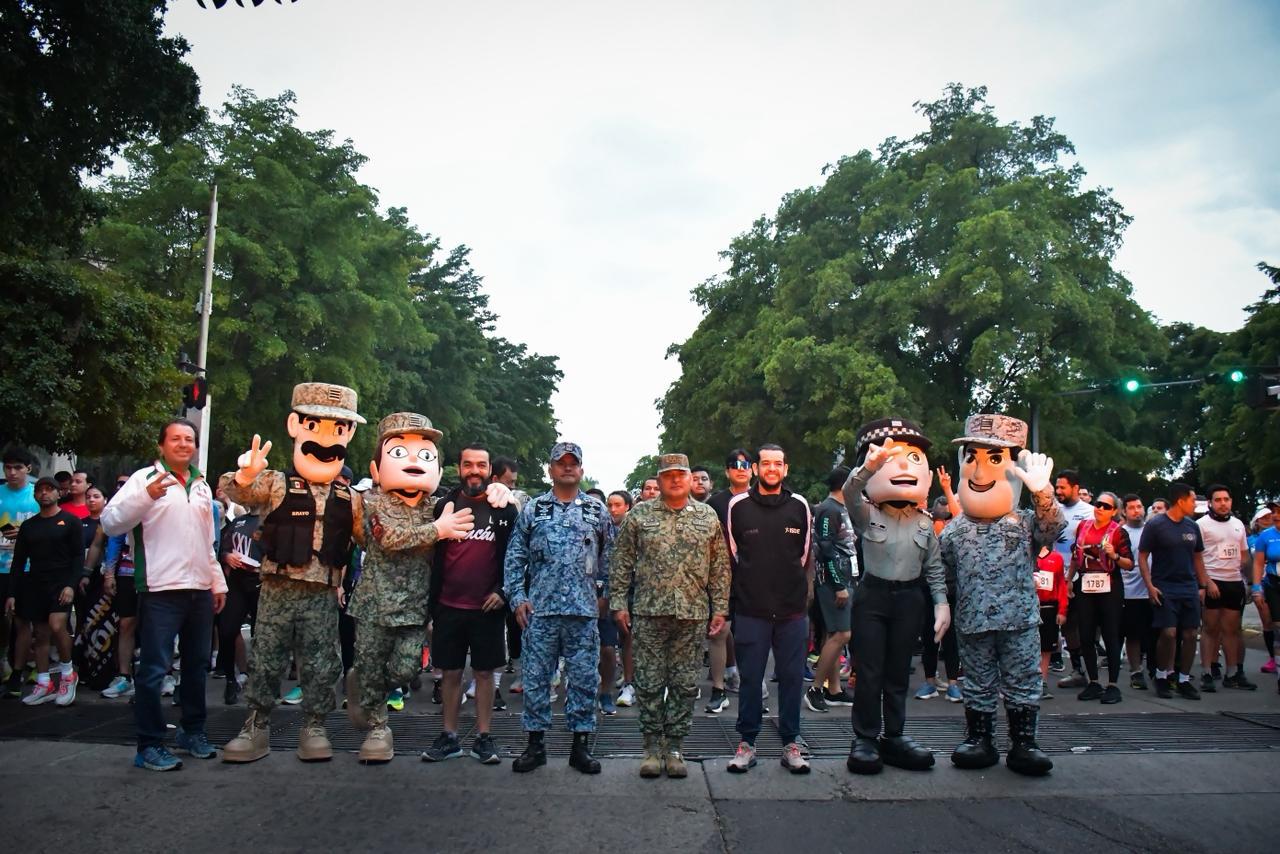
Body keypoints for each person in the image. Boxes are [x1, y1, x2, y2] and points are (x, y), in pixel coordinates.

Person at [220, 383, 367, 764]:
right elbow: (233, 492)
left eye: (337, 429)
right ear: (295, 425)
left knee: (321, 661)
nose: (324, 440)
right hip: (276, 587)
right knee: (266, 657)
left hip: (322, 591)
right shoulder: (276, 483)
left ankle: (315, 725)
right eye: (315, 426)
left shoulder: (350, 498)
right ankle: (256, 725)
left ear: (348, 435)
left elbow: (370, 537)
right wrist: (245, 474)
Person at [346, 413, 480, 763]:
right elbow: (388, 538)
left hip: (415, 606)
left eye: (424, 455)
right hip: (374, 603)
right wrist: (439, 530)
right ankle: (378, 730)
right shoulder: (370, 502)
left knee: (405, 669)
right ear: (377, 468)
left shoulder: (438, 506)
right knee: (372, 664)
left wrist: (497, 489)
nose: (412, 463)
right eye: (399, 452)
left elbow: (482, 507)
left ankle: (365, 686)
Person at [101, 419, 228, 771]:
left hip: (200, 591)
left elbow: (207, 542)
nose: (184, 444)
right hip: (160, 590)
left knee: (196, 666)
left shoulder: (202, 486)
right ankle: (149, 744)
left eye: (189, 439)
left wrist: (217, 583)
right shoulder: (144, 480)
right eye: (176, 439)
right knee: (154, 670)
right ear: (161, 445)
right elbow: (111, 522)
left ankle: (193, 731)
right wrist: (146, 497)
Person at [943, 414, 1064, 777]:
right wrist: (941, 607)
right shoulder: (954, 530)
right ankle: (980, 739)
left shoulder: (1025, 520)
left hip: (1020, 619)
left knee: (1023, 680)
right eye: (973, 458)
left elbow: (1053, 527)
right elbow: (943, 573)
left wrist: (1043, 491)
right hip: (973, 618)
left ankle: (1024, 742)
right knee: (978, 681)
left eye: (995, 459)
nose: (980, 471)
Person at [610, 453, 730, 778]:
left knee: (684, 683)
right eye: (668, 475)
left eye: (681, 474)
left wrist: (720, 607)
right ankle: (651, 746)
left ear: (691, 478)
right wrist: (619, 602)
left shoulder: (707, 517)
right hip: (649, 611)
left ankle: (675, 746)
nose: (675, 480)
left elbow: (719, 566)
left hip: (692, 613)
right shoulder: (640, 516)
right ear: (659, 480)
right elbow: (621, 562)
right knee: (648, 682)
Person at [841, 421, 948, 775]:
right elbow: (851, 491)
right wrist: (871, 465)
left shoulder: (923, 521)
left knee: (899, 672)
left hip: (908, 599)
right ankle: (865, 739)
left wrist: (941, 602)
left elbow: (933, 567)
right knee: (869, 670)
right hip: (873, 596)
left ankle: (895, 736)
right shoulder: (867, 514)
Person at [504, 441, 610, 774]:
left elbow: (612, 561)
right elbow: (515, 556)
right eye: (560, 462)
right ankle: (535, 745)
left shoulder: (596, 511)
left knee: (583, 680)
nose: (567, 467)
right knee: (536, 680)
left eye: (572, 463)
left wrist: (606, 597)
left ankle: (580, 746)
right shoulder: (533, 510)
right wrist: (517, 597)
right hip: (541, 611)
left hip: (582, 611)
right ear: (550, 469)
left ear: (581, 469)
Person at [422, 443, 518, 765]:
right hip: (449, 605)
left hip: (487, 607)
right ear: (459, 467)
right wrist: (432, 607)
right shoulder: (445, 504)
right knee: (449, 673)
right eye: (468, 464)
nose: (474, 470)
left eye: (480, 465)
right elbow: (433, 555)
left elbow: (516, 556)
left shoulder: (504, 509)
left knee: (484, 674)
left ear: (489, 470)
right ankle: (449, 736)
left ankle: (484, 736)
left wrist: (503, 591)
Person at [725, 443, 813, 774]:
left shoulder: (800, 506)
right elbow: (734, 556)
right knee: (750, 680)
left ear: (785, 469)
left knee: (792, 679)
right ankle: (747, 743)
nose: (772, 468)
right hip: (751, 610)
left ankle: (791, 743)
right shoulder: (738, 507)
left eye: (778, 463)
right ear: (757, 469)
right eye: (765, 463)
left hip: (792, 612)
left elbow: (803, 556)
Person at [4, 476, 83, 706]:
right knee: (40, 634)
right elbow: (19, 561)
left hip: (62, 582)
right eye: (40, 490)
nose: (45, 493)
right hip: (35, 582)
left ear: (59, 493)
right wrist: (12, 593)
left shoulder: (70, 521)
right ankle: (44, 681)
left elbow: (79, 556)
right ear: (35, 495)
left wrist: (71, 584)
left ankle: (68, 675)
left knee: (58, 625)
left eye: (50, 489)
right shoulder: (29, 526)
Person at [1138, 482, 1212, 700]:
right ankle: (1161, 676)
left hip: (1188, 587)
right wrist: (1149, 585)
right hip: (1165, 586)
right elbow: (1142, 556)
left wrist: (1203, 585)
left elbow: (1198, 558)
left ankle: (1184, 679)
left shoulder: (1192, 526)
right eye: (1191, 500)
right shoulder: (1156, 525)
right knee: (1169, 633)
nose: (1194, 505)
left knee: (1190, 634)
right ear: (1181, 501)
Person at [1066, 491, 1132, 703]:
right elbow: (1076, 556)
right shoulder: (1083, 526)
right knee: (1085, 634)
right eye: (1098, 504)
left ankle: (1113, 684)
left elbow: (1129, 564)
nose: (1100, 508)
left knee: (1111, 634)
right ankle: (1094, 681)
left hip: (1110, 586)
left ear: (1114, 511)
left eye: (1106, 506)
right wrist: (1068, 579)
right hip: (1086, 584)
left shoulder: (1118, 532)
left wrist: (1114, 554)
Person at [704, 448, 751, 713]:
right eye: (735, 465)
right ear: (727, 471)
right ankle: (719, 688)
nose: (740, 468)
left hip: (757, 578)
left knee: (754, 635)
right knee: (719, 632)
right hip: (722, 577)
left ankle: (752, 687)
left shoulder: (763, 498)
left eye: (745, 465)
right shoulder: (715, 504)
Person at [1197, 485, 1255, 690]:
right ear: (1211, 503)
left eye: (1226, 499)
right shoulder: (1201, 525)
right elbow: (1196, 557)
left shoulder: (1238, 524)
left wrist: (1248, 582)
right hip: (1213, 580)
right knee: (1210, 628)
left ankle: (1232, 673)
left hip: (1234, 582)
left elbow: (1245, 555)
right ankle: (1206, 672)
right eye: (1218, 500)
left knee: (1231, 629)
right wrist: (1205, 582)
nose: (1223, 503)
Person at [809, 466, 856, 711]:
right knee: (841, 634)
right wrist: (838, 584)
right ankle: (815, 688)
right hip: (833, 582)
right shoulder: (828, 509)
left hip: (846, 579)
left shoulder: (842, 508)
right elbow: (825, 547)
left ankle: (834, 689)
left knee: (833, 634)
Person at [1, 446, 39, 693]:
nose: (12, 472)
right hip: (1, 567)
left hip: (27, 568)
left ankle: (19, 670)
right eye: (8, 467)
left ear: (28, 469)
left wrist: (24, 534)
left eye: (17, 468)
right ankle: (5, 663)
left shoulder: (38, 495)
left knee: (23, 621)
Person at [1053, 470, 1094, 690]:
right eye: (1056, 487)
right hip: (1055, 576)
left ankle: (1092, 672)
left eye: (1063, 488)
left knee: (1084, 623)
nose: (1058, 491)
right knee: (1065, 624)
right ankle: (1077, 669)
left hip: (1082, 576)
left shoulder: (1090, 512)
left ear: (1076, 488)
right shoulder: (1052, 511)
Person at [216, 508, 263, 704]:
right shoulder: (237, 521)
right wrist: (226, 557)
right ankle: (230, 679)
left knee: (261, 635)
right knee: (227, 630)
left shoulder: (271, 518)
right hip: (236, 582)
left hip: (262, 581)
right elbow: (221, 547)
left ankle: (262, 683)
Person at [1119, 495, 1152, 689]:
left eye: (1139, 507)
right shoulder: (1119, 532)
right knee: (1132, 635)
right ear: (1124, 511)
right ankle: (1135, 670)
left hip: (1151, 589)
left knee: (1154, 633)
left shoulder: (1152, 530)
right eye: (1131, 508)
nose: (1136, 511)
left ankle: (1158, 669)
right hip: (1128, 591)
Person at [1249, 506, 1278, 677]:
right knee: (1269, 622)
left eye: (1271, 516)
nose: (1269, 519)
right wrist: (1254, 586)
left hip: (1272, 580)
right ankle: (1273, 658)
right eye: (1264, 517)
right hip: (1267, 583)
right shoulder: (1255, 539)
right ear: (1257, 521)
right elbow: (1252, 562)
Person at [1034, 545, 1067, 699]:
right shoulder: (1026, 554)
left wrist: (1062, 610)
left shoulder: (1056, 558)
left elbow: (1061, 585)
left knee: (1046, 647)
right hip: (1029, 606)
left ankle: (1043, 680)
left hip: (1049, 606)